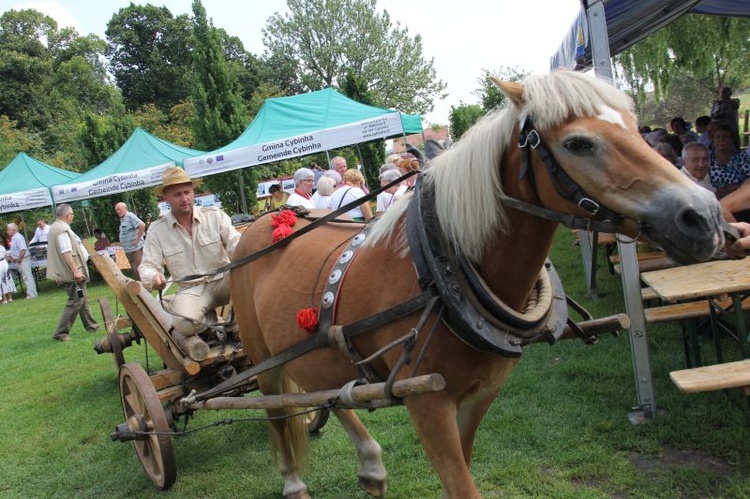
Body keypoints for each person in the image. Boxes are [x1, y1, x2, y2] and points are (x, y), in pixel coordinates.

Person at [139, 166, 241, 338]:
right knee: (183, 324)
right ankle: (213, 323)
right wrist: (153, 277)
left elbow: (235, 243)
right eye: (177, 194)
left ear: (193, 192)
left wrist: (251, 251)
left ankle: (233, 324)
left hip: (223, 280)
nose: (184, 198)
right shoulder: (157, 230)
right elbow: (147, 266)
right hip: (191, 290)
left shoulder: (215, 215)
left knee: (250, 280)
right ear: (166, 198)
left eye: (187, 192)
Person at [46, 204, 99, 341]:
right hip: (73, 271)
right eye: (72, 214)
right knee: (76, 300)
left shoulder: (55, 228)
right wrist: (75, 270)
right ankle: (61, 333)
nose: (73, 216)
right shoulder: (62, 229)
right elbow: (66, 252)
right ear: (68, 215)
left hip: (70, 270)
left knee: (83, 298)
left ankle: (92, 326)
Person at [708, 122, 750, 222]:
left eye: (725, 137)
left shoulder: (741, 157)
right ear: (712, 140)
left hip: (740, 202)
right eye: (718, 137)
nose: (721, 140)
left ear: (731, 140)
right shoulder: (708, 160)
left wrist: (737, 186)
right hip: (716, 201)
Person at [115, 202, 145, 281]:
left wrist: (137, 239)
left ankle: (145, 288)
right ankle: (141, 288)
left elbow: (142, 225)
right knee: (135, 269)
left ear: (125, 209)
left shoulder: (130, 216)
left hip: (135, 248)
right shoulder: (123, 219)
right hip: (129, 249)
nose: (118, 211)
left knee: (138, 269)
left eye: (119, 209)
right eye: (116, 210)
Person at [7, 222, 37, 298]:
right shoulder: (14, 238)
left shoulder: (18, 237)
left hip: (23, 259)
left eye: (8, 229)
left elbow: (23, 249)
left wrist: (19, 259)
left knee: (27, 277)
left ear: (13, 230)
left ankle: (32, 294)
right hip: (19, 260)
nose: (7, 231)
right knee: (25, 277)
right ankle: (31, 293)